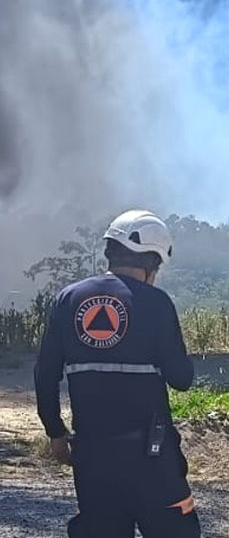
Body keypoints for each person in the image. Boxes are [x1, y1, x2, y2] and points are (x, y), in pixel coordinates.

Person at [33, 209, 201, 538]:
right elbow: (182, 379)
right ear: (153, 261)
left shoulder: (68, 299)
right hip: (152, 459)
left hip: (93, 458)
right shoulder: (156, 303)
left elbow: (45, 374)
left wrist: (55, 432)